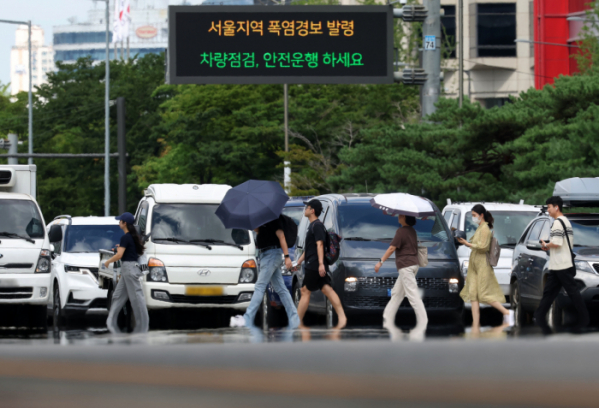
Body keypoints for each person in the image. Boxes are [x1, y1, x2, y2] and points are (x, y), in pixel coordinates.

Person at [535, 196, 589, 334]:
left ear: (556, 207)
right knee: (550, 292)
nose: (548, 210)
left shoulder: (558, 223)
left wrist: (546, 244)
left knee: (572, 292)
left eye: (549, 207)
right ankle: (540, 316)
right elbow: (562, 243)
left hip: (561, 264)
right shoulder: (566, 221)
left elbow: (557, 243)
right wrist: (549, 245)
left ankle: (584, 318)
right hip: (558, 264)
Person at [457, 204, 514, 330]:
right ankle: (475, 324)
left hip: (482, 264)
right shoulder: (480, 228)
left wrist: (467, 243)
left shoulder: (485, 229)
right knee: (473, 295)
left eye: (474, 215)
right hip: (475, 264)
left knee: (483, 294)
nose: (473, 218)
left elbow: (483, 247)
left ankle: (506, 312)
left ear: (481, 215)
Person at [295, 199, 347, 329]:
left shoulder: (317, 225)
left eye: (307, 207)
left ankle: (296, 322)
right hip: (314, 262)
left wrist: (320, 264)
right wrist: (299, 262)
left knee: (305, 290)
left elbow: (320, 244)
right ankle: (342, 317)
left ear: (312, 210)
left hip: (314, 264)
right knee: (326, 289)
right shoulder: (313, 225)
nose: (305, 209)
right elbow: (309, 248)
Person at [241, 215, 300, 328]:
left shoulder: (273, 217)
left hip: (271, 255)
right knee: (281, 289)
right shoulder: (262, 218)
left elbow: (281, 236)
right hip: (266, 255)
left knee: (260, 286)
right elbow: (258, 231)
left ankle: (247, 318)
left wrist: (287, 256)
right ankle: (294, 318)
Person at [375, 213, 427, 330]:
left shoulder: (401, 231)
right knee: (396, 294)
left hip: (406, 266)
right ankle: (387, 318)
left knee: (413, 295)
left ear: (404, 217)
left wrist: (380, 261)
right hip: (413, 265)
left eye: (401, 215)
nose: (398, 216)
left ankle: (424, 320)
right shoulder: (412, 231)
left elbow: (392, 248)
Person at [104, 212, 149, 334]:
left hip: (129, 269)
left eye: (120, 221)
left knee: (136, 298)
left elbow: (119, 255)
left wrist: (107, 261)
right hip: (127, 270)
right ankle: (111, 321)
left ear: (125, 224)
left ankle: (143, 323)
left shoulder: (126, 237)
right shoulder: (131, 238)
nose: (119, 222)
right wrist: (121, 247)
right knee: (117, 296)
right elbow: (126, 251)